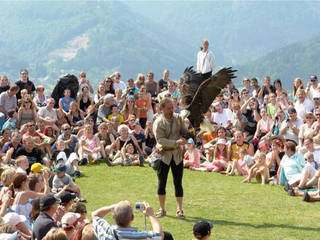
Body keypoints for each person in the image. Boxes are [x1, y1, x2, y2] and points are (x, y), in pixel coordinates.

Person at [153, 97, 188, 218]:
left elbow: (184, 131)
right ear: (161, 109)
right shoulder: (158, 122)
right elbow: (160, 140)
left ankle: (179, 209)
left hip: (177, 155)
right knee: (161, 183)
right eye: (168, 108)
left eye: (172, 107)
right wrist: (176, 142)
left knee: (178, 182)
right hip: (164, 156)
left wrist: (187, 134)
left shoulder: (178, 118)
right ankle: (162, 209)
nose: (171, 110)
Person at [92, 200, 166, 240]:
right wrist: (151, 215)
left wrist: (115, 207)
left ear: (113, 217)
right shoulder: (141, 236)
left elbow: (95, 215)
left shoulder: (106, 233)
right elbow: (159, 235)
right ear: (132, 217)